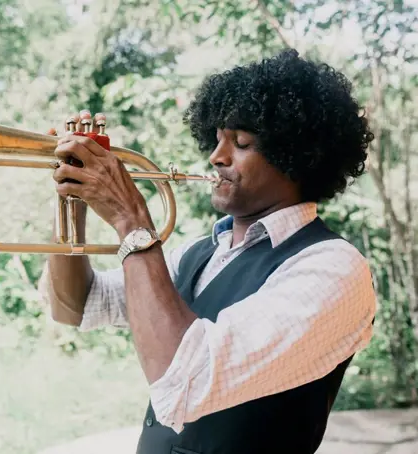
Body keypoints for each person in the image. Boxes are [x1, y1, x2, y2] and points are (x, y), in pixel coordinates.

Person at [38, 49, 377, 454]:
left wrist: (131, 219)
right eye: (216, 139)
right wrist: (71, 204)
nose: (216, 157)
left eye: (242, 142)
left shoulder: (333, 269)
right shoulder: (201, 253)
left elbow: (186, 381)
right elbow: (76, 306)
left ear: (299, 157)